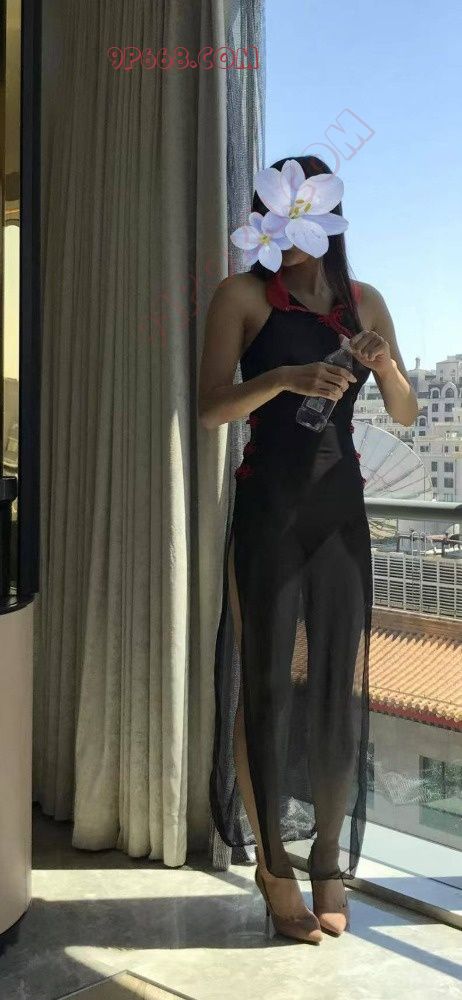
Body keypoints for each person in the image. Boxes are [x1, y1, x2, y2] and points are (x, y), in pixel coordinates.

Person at [198, 155, 418, 944]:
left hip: (341, 513)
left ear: (326, 219)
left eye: (296, 214)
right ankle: (273, 868)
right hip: (268, 508)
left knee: (333, 690)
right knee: (264, 687)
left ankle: (328, 860)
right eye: (270, 213)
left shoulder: (364, 302)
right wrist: (284, 377)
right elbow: (209, 408)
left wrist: (383, 363)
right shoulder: (242, 295)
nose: (282, 230)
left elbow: (403, 412)